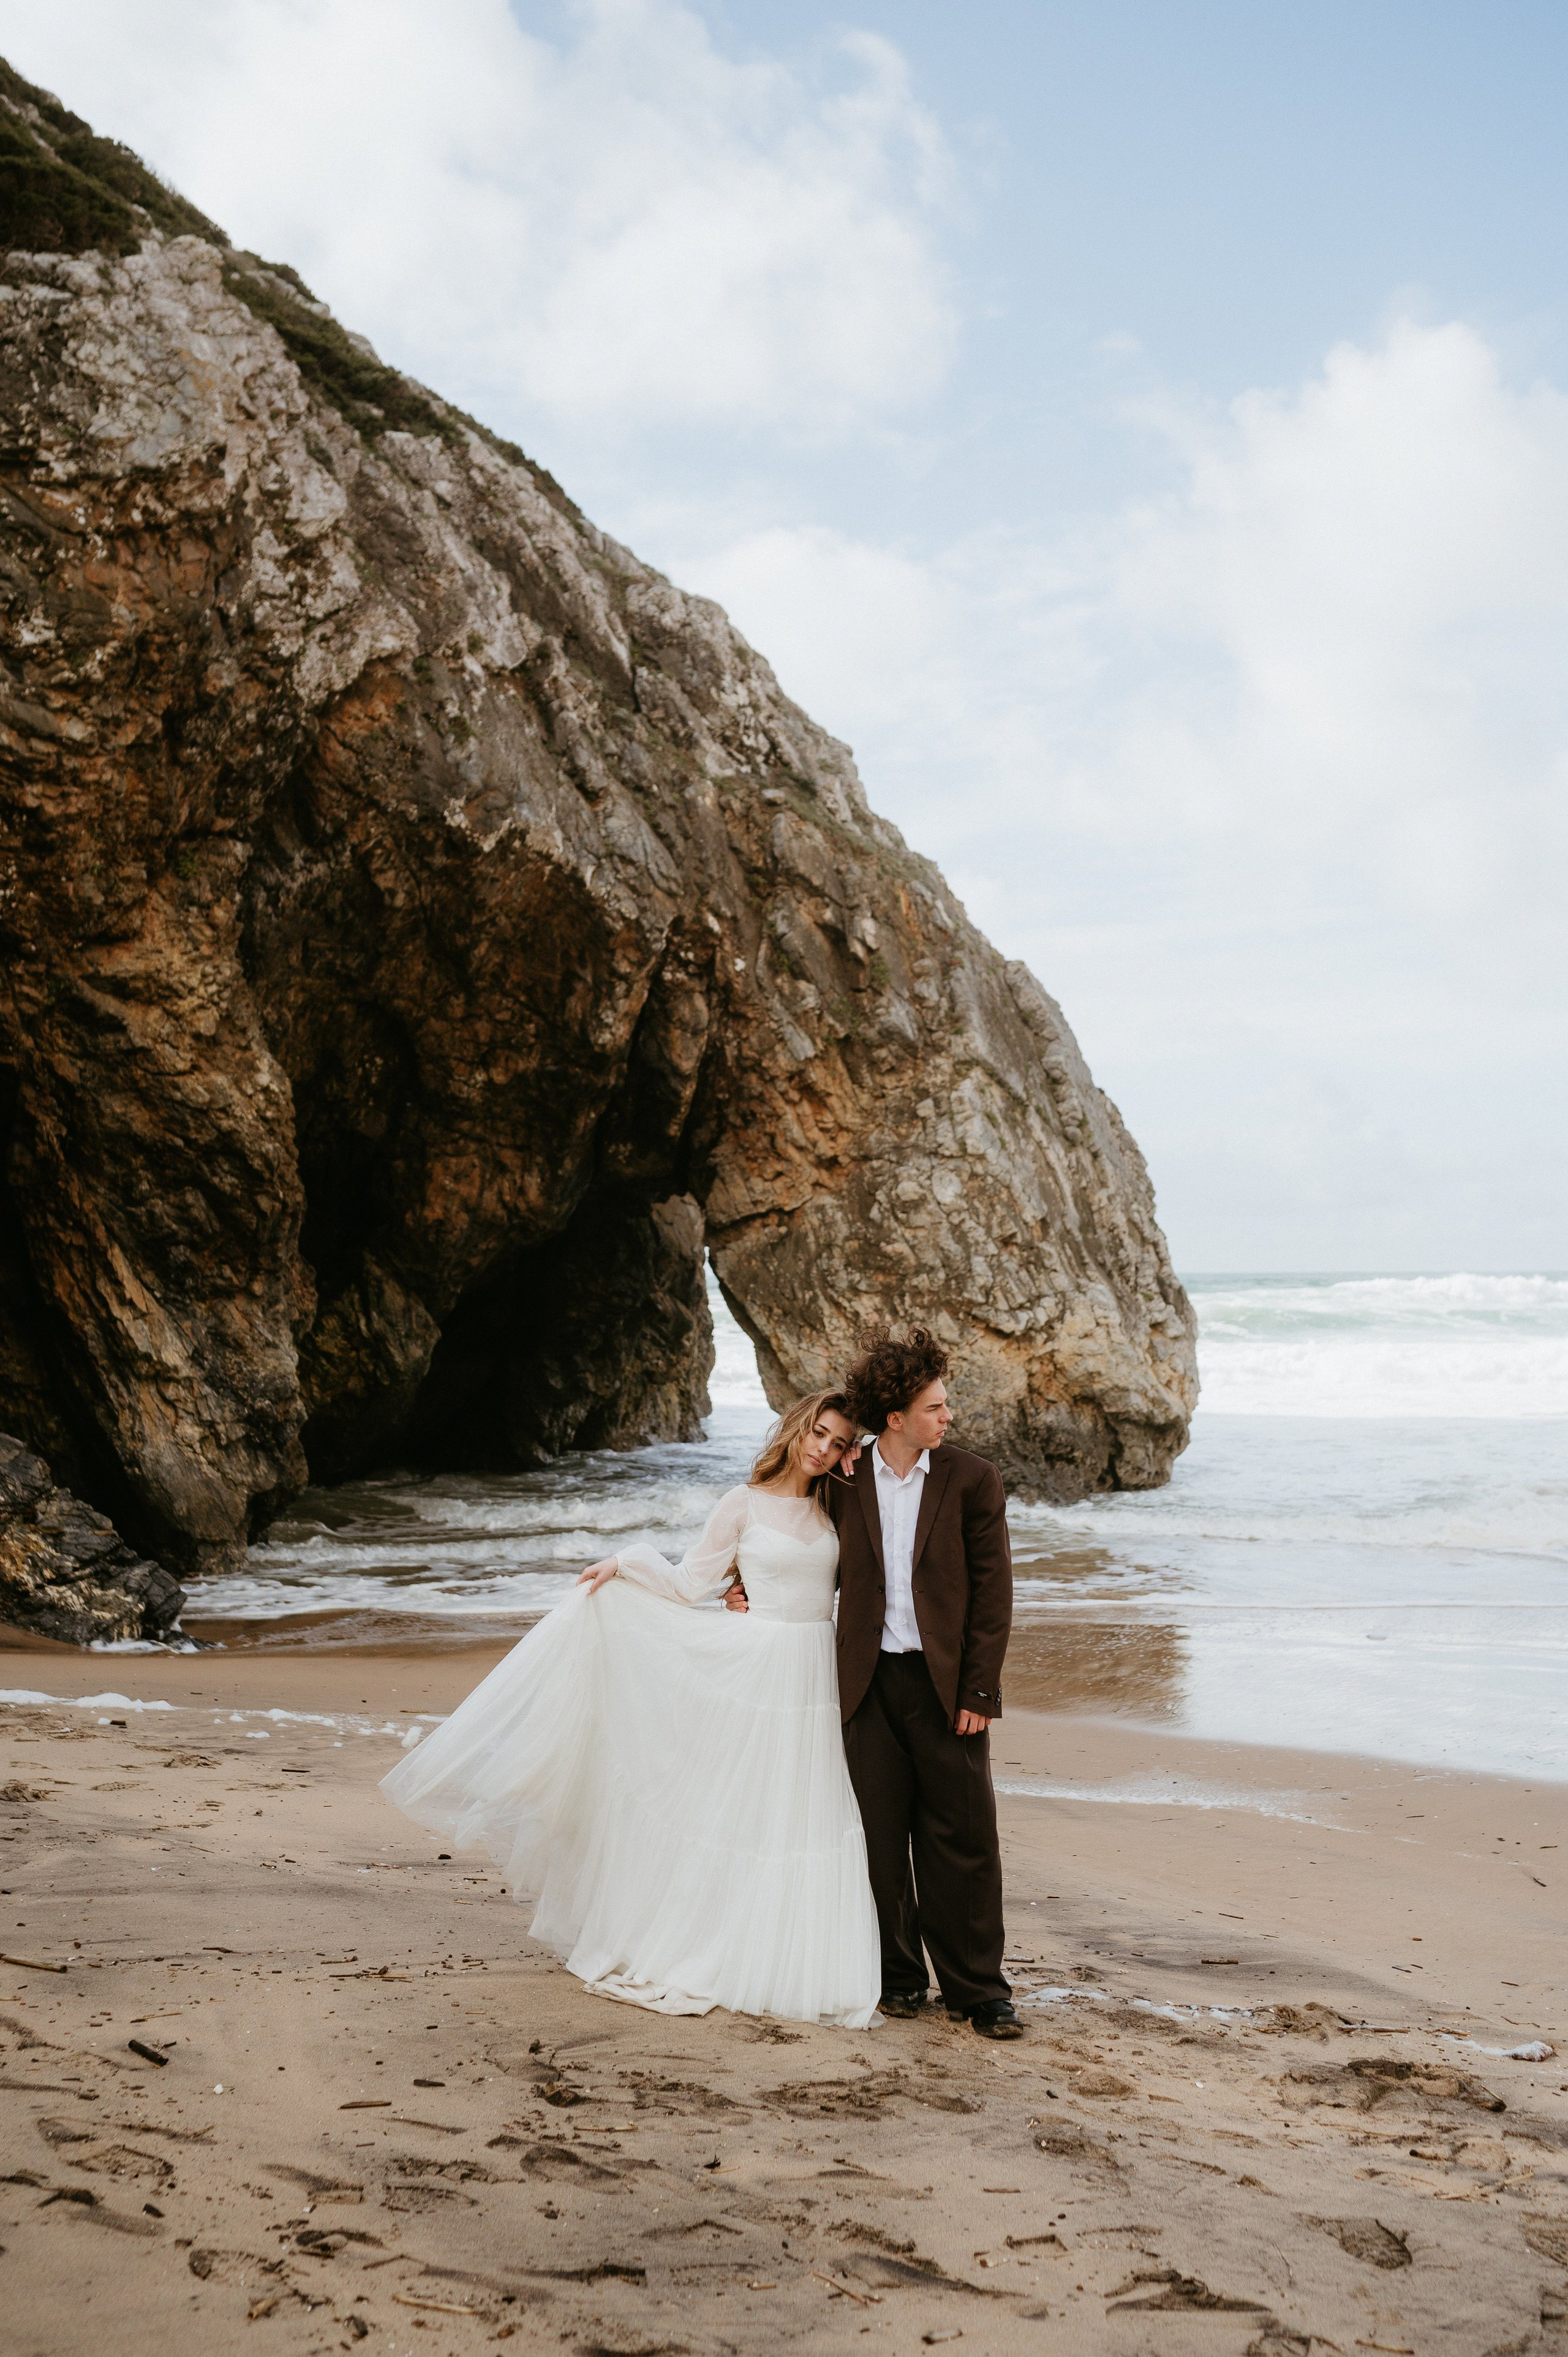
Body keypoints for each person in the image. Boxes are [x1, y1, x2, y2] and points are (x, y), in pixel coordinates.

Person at [379, 1392, 881, 2027]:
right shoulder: (742, 1503)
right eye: (819, 1433)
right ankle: (717, 1949)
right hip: (760, 1671)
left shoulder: (836, 1503)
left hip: (815, 1671)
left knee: (805, 1810)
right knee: (745, 1811)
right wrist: (626, 1564)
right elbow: (687, 1583)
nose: (825, 1449)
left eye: (839, 1443)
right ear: (797, 1427)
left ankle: (797, 1959)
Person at [729, 1326, 1020, 2039]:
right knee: (878, 1842)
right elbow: (788, 1528)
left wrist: (978, 1691)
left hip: (945, 1689)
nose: (946, 1416)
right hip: (860, 1685)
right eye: (935, 1405)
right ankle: (898, 1980)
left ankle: (979, 1991)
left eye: (945, 1405)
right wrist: (744, 1583)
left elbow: (994, 1593)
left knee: (963, 1840)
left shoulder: (970, 1480)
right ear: (896, 1417)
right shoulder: (843, 1477)